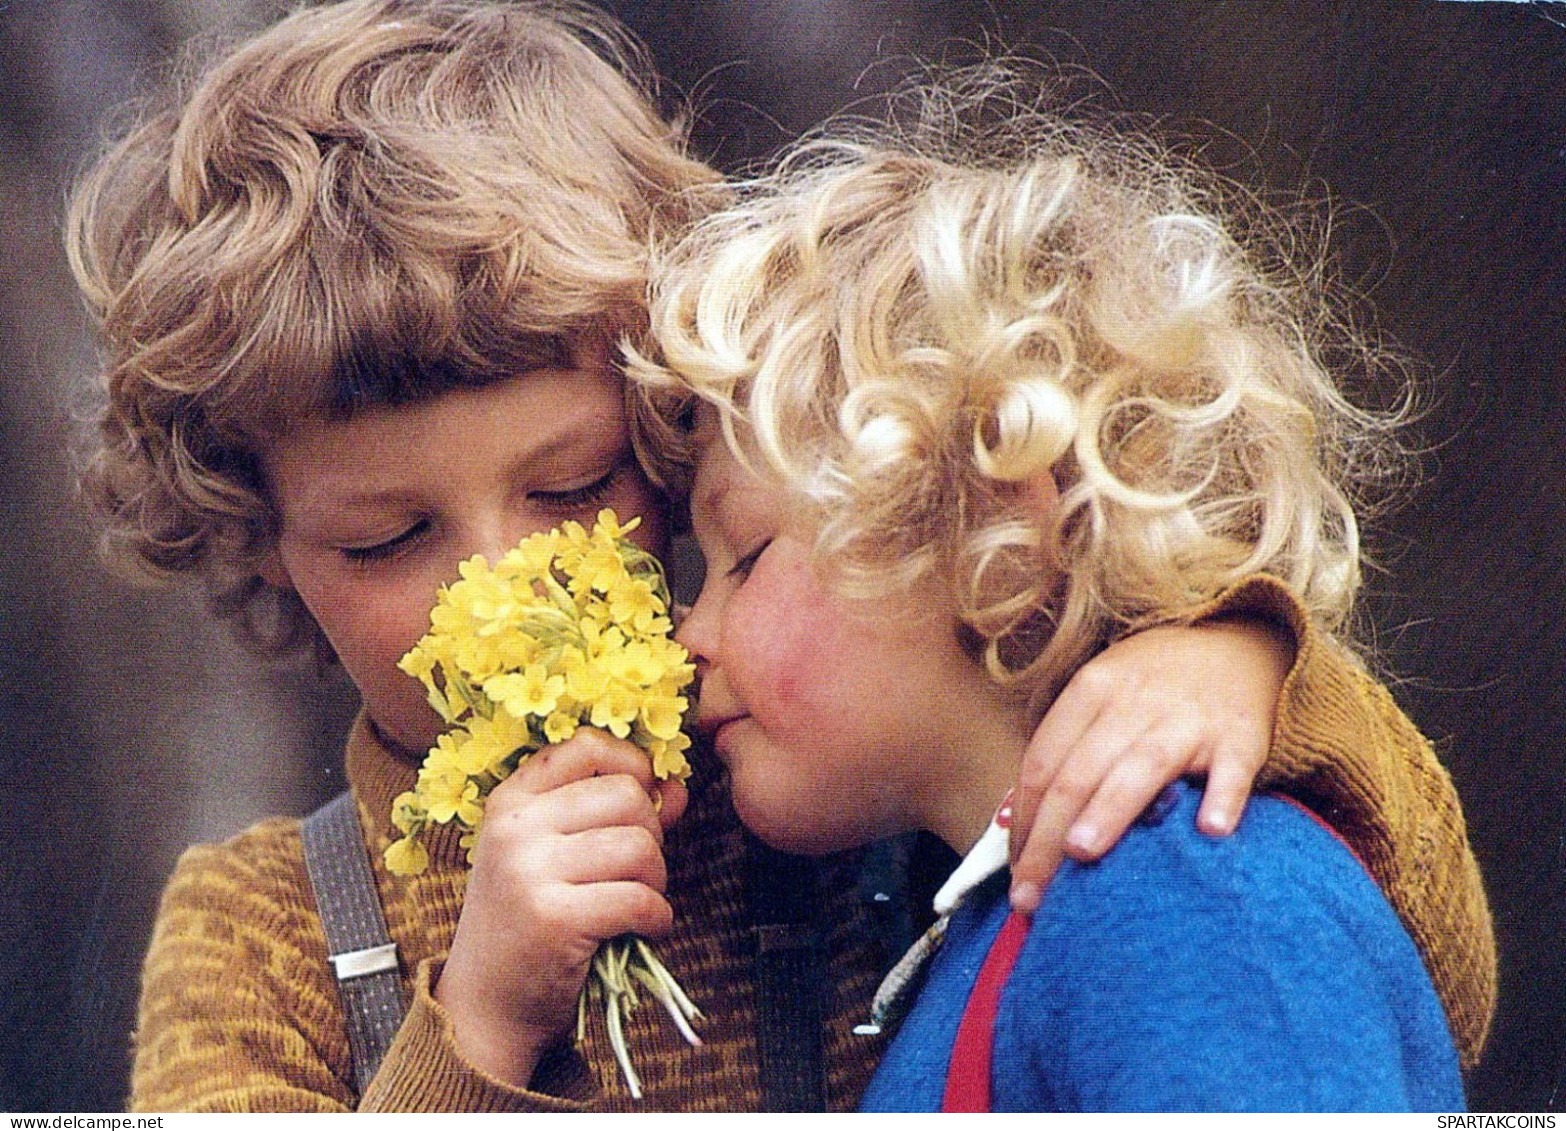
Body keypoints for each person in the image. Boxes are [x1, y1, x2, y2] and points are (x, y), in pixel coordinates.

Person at [64, 0, 1491, 1112]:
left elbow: (1414, 964)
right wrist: (479, 1022)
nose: (501, 581)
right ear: (257, 538)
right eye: (386, 535)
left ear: (668, 427)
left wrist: (1235, 662)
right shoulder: (265, 932)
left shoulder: (812, 751)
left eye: (572, 487)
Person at [628, 89, 1475, 1109]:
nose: (689, 638)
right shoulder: (1046, 910)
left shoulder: (1185, 895)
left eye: (746, 555)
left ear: (992, 528)